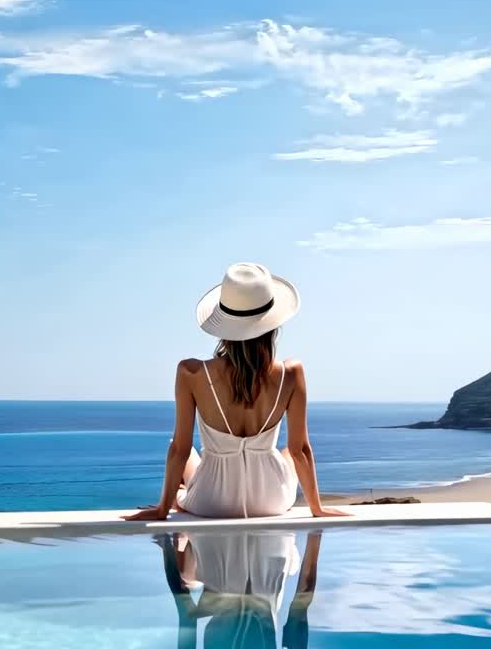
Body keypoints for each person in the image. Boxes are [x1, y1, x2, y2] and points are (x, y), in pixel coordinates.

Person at [125, 262, 347, 520]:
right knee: (288, 451)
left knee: (186, 454)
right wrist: (317, 509)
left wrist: (161, 510)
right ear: (272, 325)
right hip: (270, 500)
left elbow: (180, 450)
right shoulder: (291, 373)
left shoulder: (191, 373)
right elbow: (301, 451)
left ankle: (178, 499)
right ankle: (182, 497)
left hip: (211, 502)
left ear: (224, 326)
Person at [156, 530, 324, 649]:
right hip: (221, 551)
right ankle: (184, 534)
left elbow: (302, 600)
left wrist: (315, 534)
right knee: (187, 577)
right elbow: (185, 613)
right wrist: (166, 544)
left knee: (189, 577)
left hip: (272, 554)